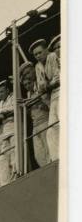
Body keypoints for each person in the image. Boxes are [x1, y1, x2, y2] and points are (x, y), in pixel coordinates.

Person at [20, 62, 50, 168]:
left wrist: (35, 101)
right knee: (38, 154)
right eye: (25, 85)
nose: (28, 86)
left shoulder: (39, 86)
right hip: (35, 125)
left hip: (45, 121)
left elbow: (46, 104)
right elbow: (29, 114)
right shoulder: (28, 94)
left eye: (29, 83)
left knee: (48, 149)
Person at [0, 80, 16, 186]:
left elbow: (14, 107)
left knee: (15, 155)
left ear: (7, 90)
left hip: (14, 128)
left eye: (2, 92)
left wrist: (3, 112)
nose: (0, 95)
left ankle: (17, 174)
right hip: (5, 132)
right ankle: (11, 177)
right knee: (6, 157)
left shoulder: (13, 96)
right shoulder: (1, 103)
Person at [45, 34, 60, 162]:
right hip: (55, 96)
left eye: (60, 46)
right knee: (51, 131)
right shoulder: (54, 62)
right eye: (56, 48)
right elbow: (52, 81)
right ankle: (57, 159)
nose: (58, 50)